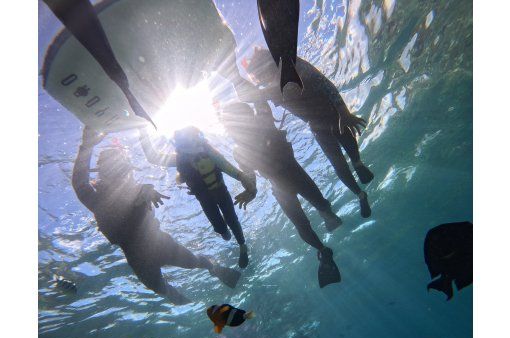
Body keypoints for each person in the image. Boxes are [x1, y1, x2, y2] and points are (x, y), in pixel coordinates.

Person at [72, 125, 241, 305]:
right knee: (159, 288)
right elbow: (80, 184)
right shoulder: (97, 199)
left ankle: (213, 268)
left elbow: (142, 192)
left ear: (128, 169)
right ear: (101, 173)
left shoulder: (139, 190)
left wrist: (148, 191)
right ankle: (182, 299)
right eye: (110, 168)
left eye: (120, 167)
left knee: (194, 262)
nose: (116, 173)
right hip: (137, 257)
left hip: (160, 243)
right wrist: (86, 146)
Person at [220, 102, 342, 288]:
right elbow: (250, 175)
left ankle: (323, 245)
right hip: (292, 178)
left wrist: (251, 191)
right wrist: (251, 192)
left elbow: (250, 175)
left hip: (283, 184)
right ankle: (325, 236)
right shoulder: (255, 132)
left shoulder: (249, 139)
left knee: (305, 222)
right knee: (315, 211)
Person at [242, 47, 373, 218]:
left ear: (268, 64)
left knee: (346, 139)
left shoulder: (293, 65)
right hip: (317, 125)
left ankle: (357, 163)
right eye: (258, 78)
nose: (262, 79)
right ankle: (360, 194)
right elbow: (248, 96)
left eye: (260, 75)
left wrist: (344, 111)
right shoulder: (270, 90)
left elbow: (323, 82)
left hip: (331, 111)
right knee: (338, 164)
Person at [138, 126, 255, 268]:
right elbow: (154, 157)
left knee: (232, 219)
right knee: (221, 229)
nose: (192, 145)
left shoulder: (210, 154)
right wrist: (142, 131)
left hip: (220, 192)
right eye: (187, 141)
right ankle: (226, 233)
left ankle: (242, 246)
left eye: (193, 139)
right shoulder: (180, 160)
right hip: (205, 199)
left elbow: (230, 168)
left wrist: (245, 181)